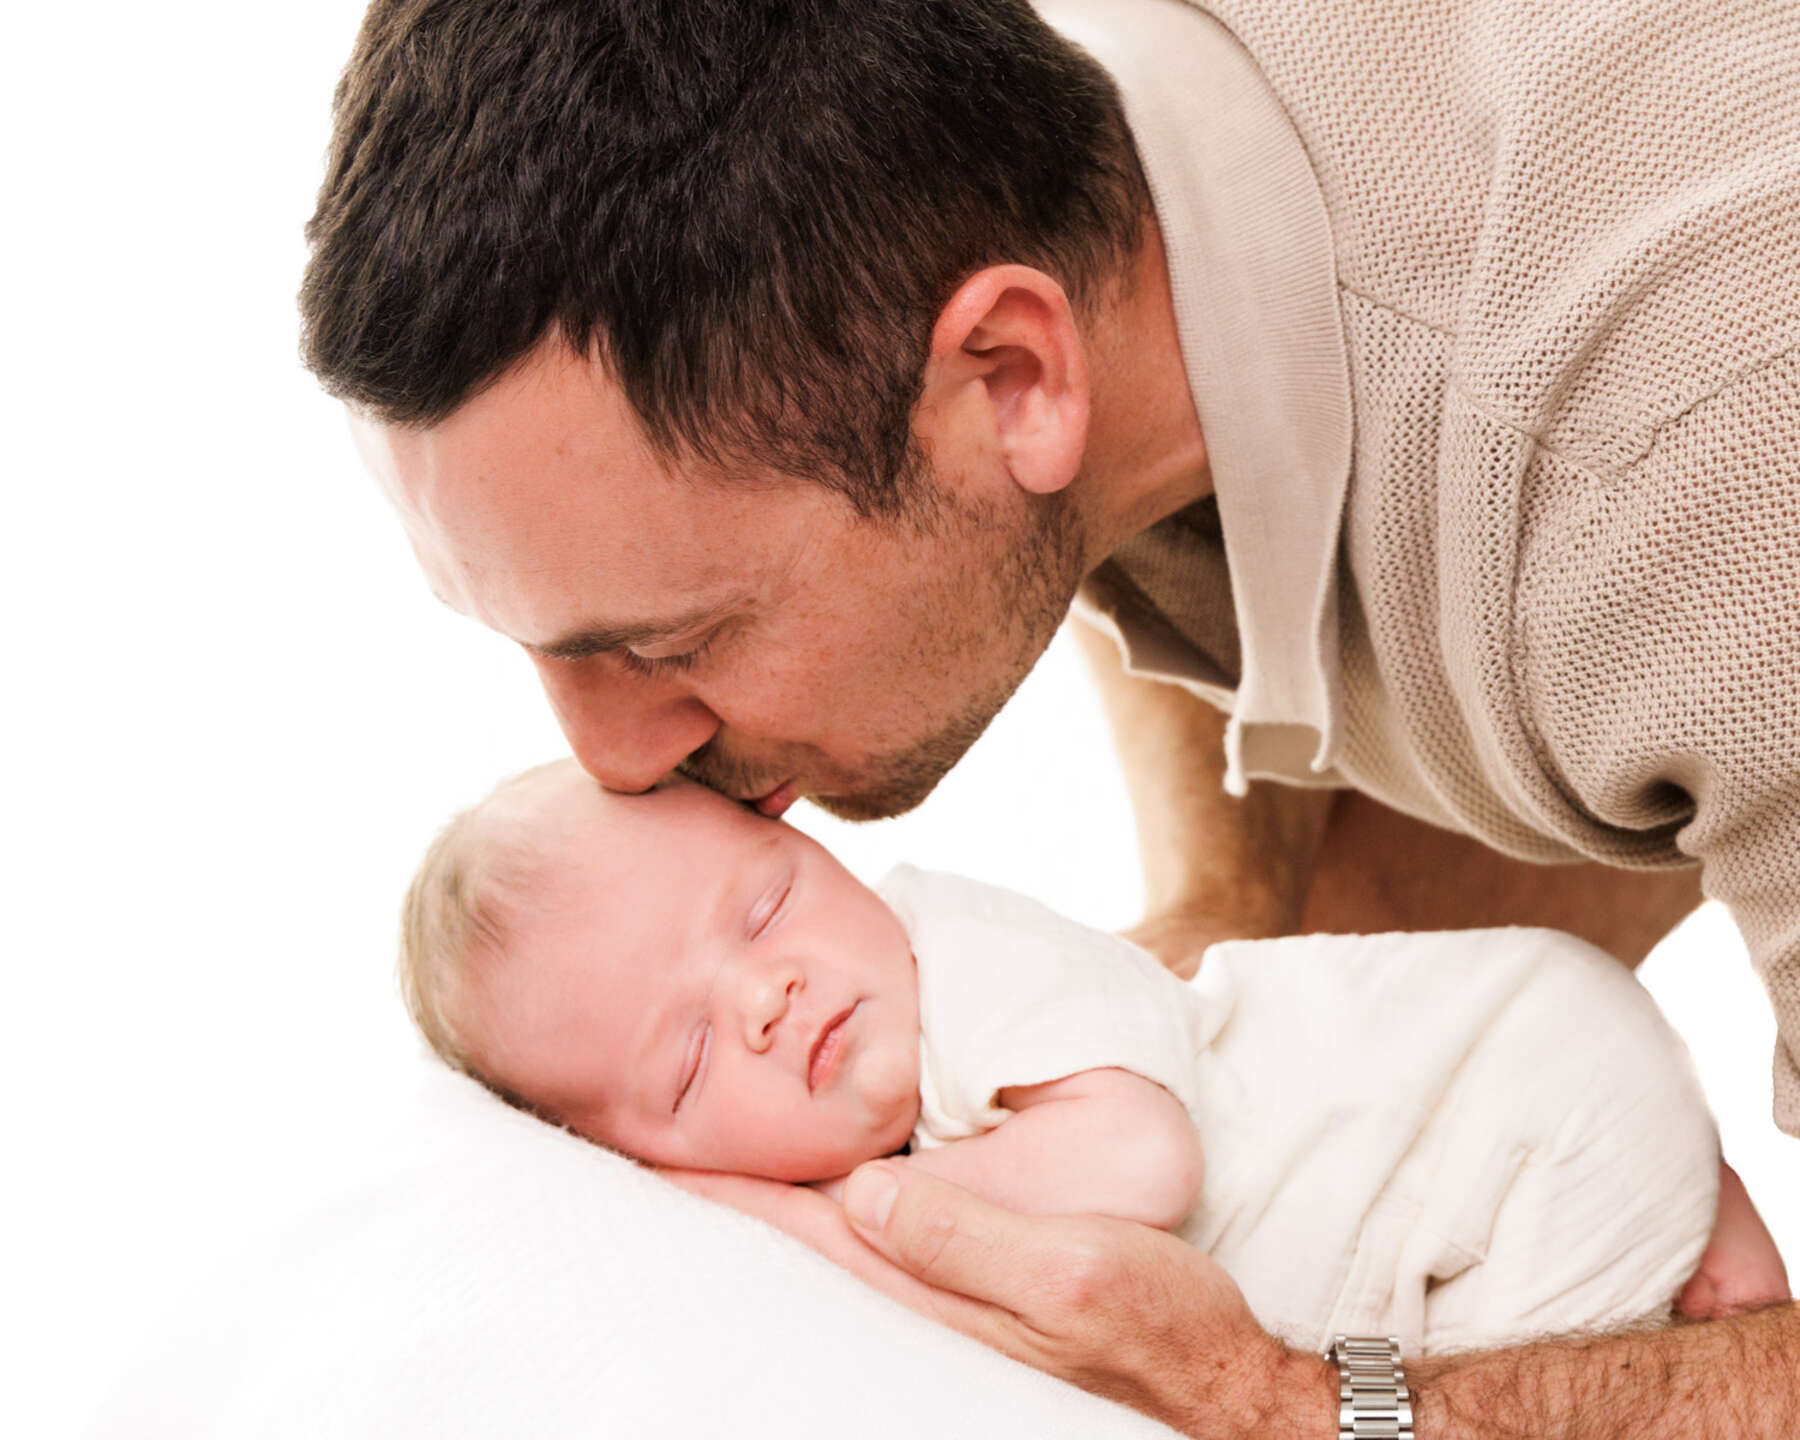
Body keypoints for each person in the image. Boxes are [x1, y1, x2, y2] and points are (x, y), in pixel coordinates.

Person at [300, 0, 1800, 1432]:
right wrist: (1232, 891)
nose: (609, 757)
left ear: (1011, 381)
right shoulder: (1006, 166)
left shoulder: (1704, 523)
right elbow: (1072, 540)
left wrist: (1287, 1409)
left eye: (669, 638)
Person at [399, 759, 1758, 1355]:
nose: (766, 995)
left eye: (763, 904)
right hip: (1463, 1195)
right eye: (688, 1060)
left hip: (1511, 1085)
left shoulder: (960, 960)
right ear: (640, 1163)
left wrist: (825, 1221)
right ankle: (1719, 1255)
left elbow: (1141, 1157)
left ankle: (1712, 1242)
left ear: (807, 835)